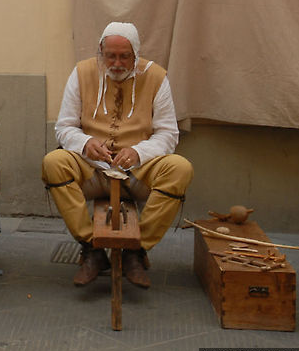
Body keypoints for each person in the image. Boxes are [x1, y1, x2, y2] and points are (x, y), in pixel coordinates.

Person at [41, 22, 193, 289]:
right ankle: (92, 248)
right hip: (92, 168)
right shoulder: (82, 73)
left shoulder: (156, 76)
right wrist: (86, 143)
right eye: (110, 55)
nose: (117, 63)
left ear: (136, 54)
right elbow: (64, 126)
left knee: (180, 168)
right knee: (53, 162)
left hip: (138, 171)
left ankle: (136, 249)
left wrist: (138, 152)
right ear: (101, 52)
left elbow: (168, 134)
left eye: (125, 56)